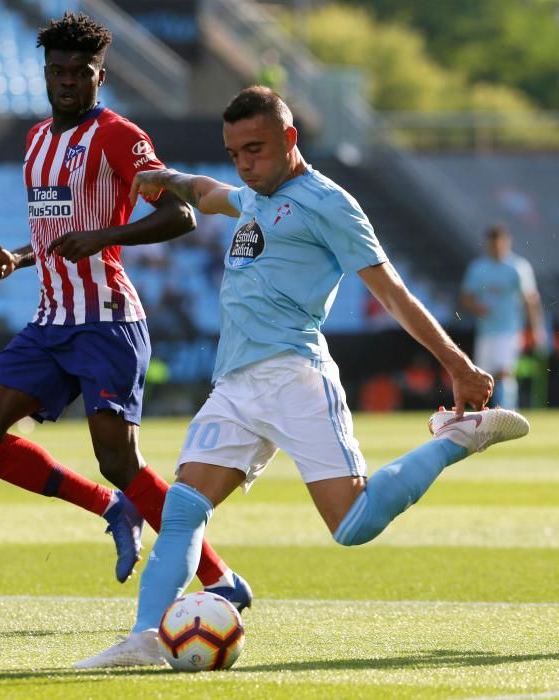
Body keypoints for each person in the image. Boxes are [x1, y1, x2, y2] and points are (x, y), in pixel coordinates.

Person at [72, 86, 530, 668]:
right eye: (235, 151)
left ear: (291, 140)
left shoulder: (329, 204)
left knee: (353, 525)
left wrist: (457, 364)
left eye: (255, 149)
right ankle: (145, 637)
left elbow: (391, 292)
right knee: (184, 508)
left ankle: (455, 439)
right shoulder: (256, 193)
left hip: (296, 376)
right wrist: (171, 178)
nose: (245, 163)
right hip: (235, 386)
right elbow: (213, 194)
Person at [0, 12, 251, 610]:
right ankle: (110, 507)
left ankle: (221, 579)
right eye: (57, 71)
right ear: (46, 73)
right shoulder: (37, 139)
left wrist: (106, 234)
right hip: (50, 321)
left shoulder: (118, 134)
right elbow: (54, 231)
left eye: (79, 72)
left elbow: (181, 214)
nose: (67, 81)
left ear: (100, 75)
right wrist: (14, 259)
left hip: (107, 321)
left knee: (120, 459)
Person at [460, 224, 545, 409]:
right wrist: (477, 307)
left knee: (505, 372)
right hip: (486, 330)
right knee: (484, 375)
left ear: (506, 243)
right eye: (492, 245)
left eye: (499, 244)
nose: (496, 248)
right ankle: (483, 415)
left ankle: (507, 411)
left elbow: (530, 299)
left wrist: (536, 329)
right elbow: (466, 298)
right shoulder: (478, 267)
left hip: (509, 329)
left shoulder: (517, 267)